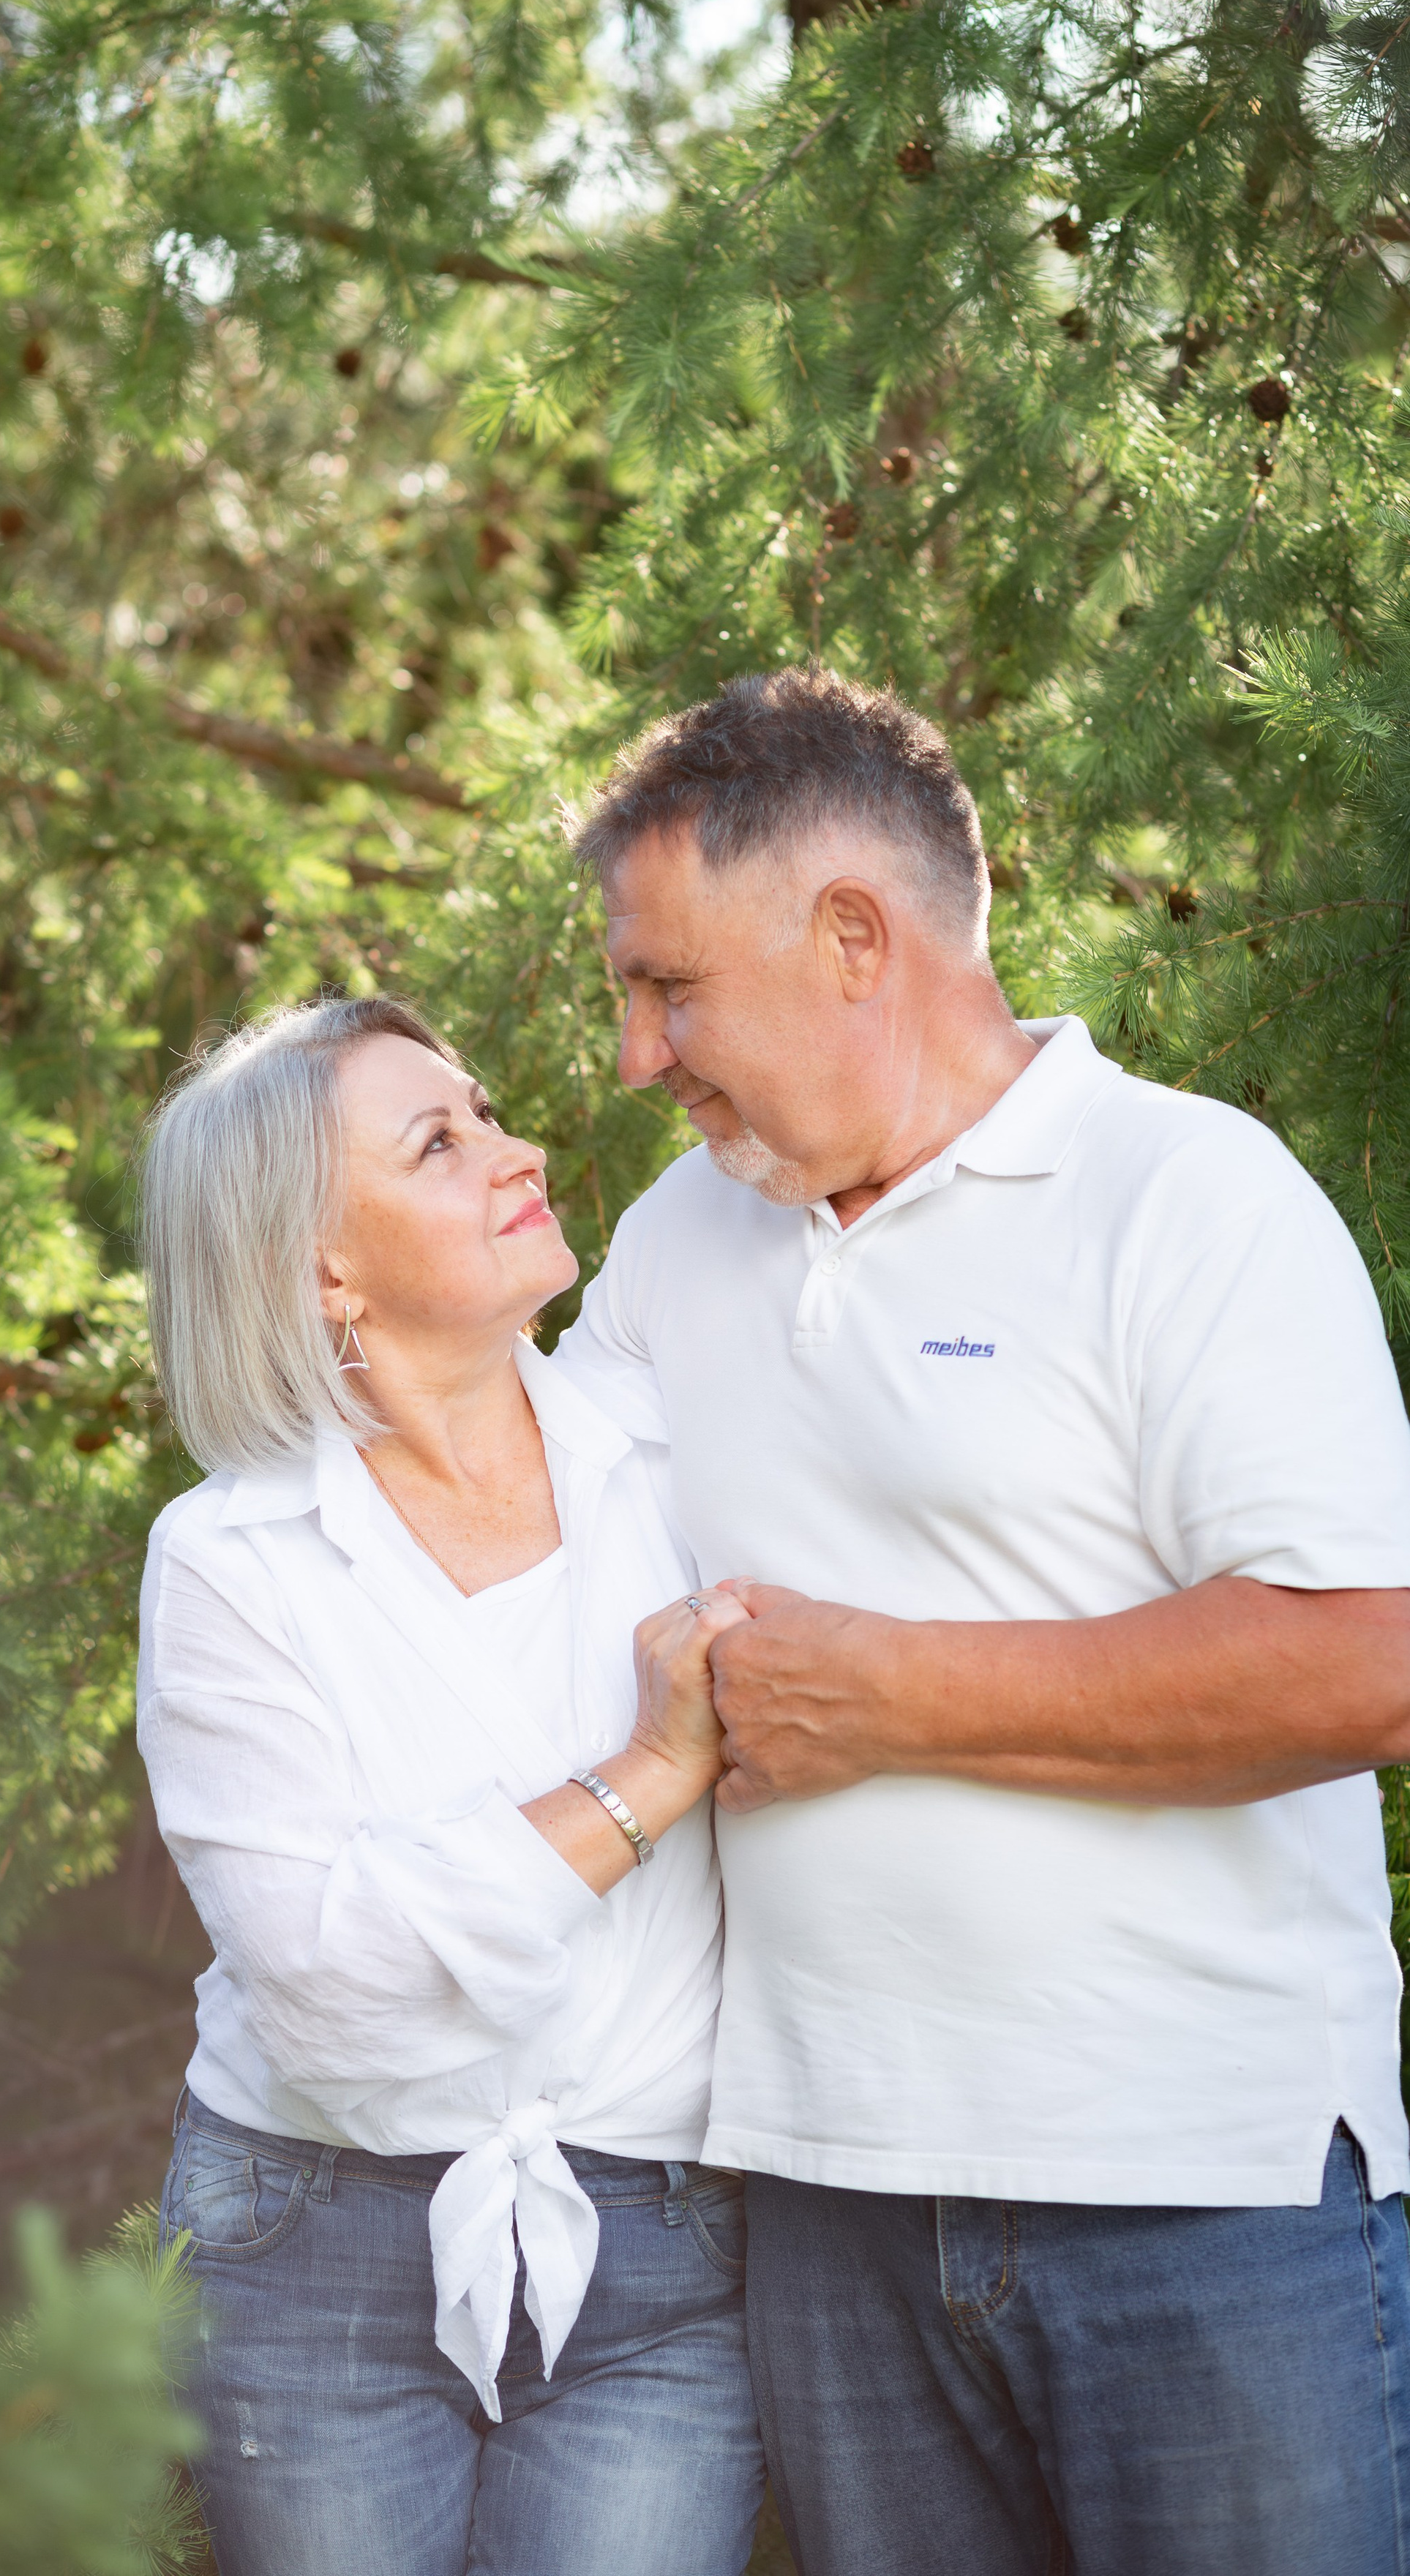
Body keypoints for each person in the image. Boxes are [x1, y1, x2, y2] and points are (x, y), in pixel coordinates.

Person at [556, 664, 1410, 2576]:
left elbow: (1369, 1660)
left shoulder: (1185, 1200)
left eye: (669, 989)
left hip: (1199, 2208)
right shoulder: (679, 1241)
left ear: (854, 935)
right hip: (830, 2204)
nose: (633, 1057)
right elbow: (519, 1550)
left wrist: (890, 1699)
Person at [132, 996, 765, 2576]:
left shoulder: (676, 1462)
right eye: (438, 1142)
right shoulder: (226, 1560)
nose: (517, 1150)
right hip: (308, 2247)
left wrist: (457, 1888)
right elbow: (327, 1991)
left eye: (485, 1113)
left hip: (660, 2243)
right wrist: (644, 1779)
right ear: (320, 1266)